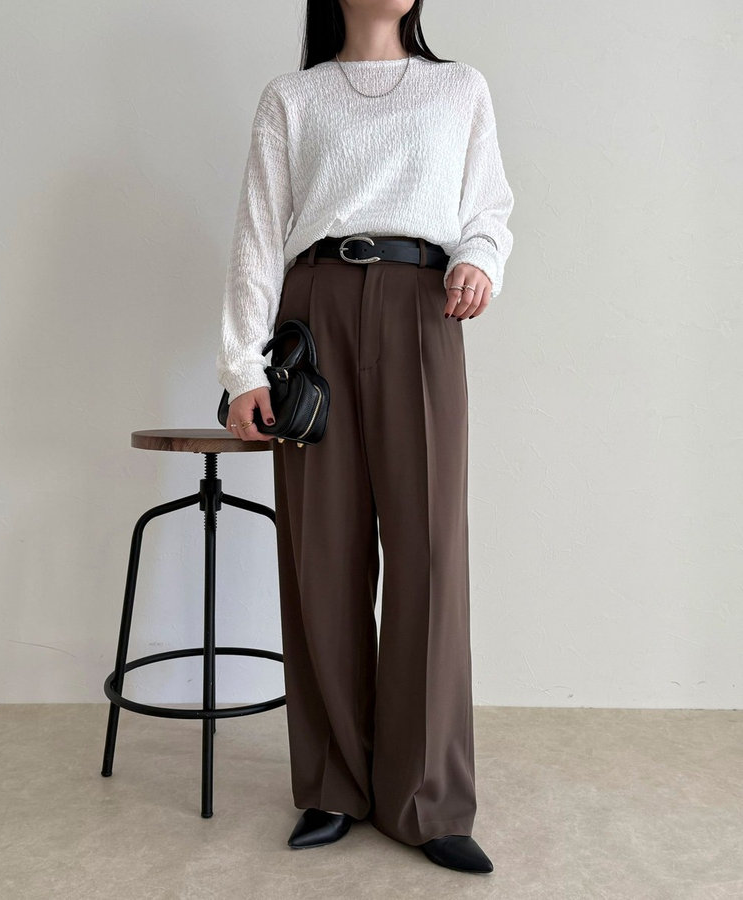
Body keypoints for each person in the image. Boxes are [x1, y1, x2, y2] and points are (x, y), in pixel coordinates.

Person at [216, 0, 514, 876]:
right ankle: (333, 785)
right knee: (323, 553)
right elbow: (258, 234)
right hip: (314, 319)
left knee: (430, 554)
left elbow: (489, 205)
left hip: (424, 308)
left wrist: (480, 258)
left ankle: (427, 796)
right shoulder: (293, 97)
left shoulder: (459, 89)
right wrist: (243, 367)